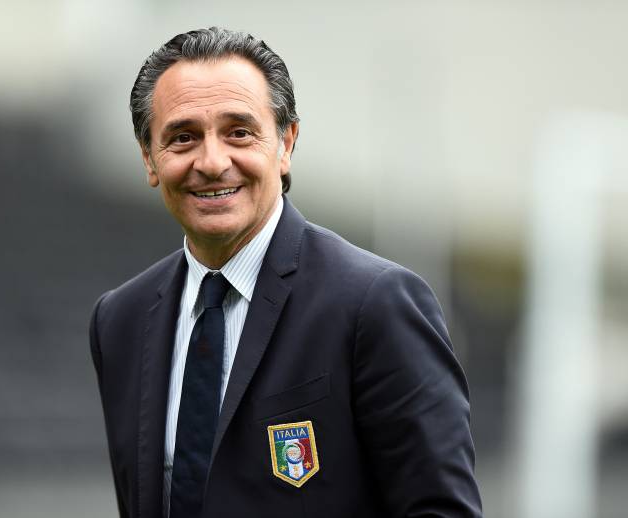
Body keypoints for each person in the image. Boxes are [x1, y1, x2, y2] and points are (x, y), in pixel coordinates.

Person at [90, 27, 482, 518]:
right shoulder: (120, 321)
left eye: (238, 132)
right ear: (150, 158)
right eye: (183, 137)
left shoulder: (375, 303)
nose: (211, 162)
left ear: (286, 144)